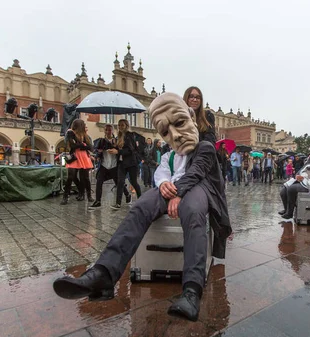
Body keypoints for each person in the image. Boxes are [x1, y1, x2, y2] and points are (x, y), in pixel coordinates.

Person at [53, 93, 232, 322]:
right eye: (166, 132)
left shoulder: (205, 147)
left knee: (193, 211)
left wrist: (178, 191)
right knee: (139, 207)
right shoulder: (170, 155)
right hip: (173, 188)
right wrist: (165, 184)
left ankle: (192, 290)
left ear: (190, 117)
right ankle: (104, 273)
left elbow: (196, 172)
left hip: (199, 189)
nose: (175, 135)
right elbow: (163, 172)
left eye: (179, 123)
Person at [89, 125, 130, 209]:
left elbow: (121, 151)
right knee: (99, 182)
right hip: (104, 165)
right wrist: (98, 154)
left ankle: (127, 194)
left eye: (110, 130)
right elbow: (97, 151)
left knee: (118, 183)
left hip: (114, 166)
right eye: (106, 130)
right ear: (104, 131)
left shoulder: (117, 141)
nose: (108, 132)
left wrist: (116, 148)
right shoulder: (101, 141)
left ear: (112, 131)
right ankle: (98, 201)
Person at [61, 119, 94, 205]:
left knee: (85, 178)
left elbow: (90, 147)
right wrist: (83, 145)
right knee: (71, 177)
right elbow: (72, 146)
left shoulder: (85, 135)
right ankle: (65, 196)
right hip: (74, 157)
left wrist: (81, 146)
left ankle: (88, 195)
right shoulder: (71, 133)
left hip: (83, 157)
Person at [112, 119, 142, 209]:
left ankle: (141, 200)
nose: (120, 127)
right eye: (119, 125)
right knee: (120, 182)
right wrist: (114, 146)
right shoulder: (118, 136)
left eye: (122, 125)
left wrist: (118, 151)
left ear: (126, 126)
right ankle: (118, 203)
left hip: (131, 163)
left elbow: (130, 150)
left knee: (133, 182)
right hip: (121, 163)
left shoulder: (130, 135)